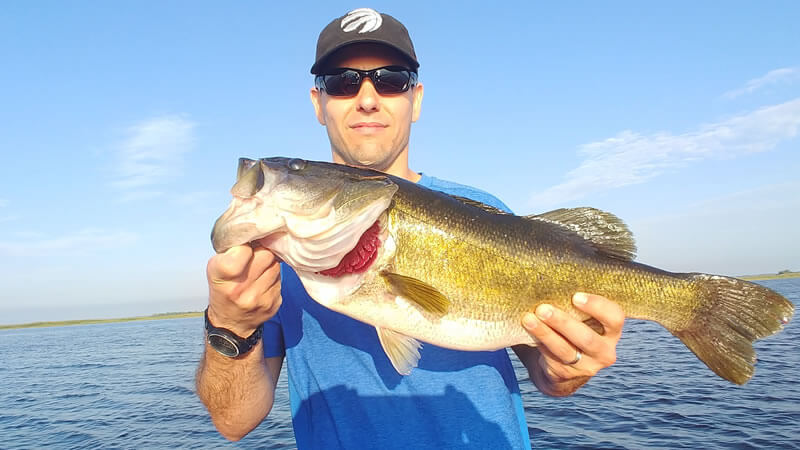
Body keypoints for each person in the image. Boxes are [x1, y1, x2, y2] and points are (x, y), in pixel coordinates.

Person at [196, 8, 624, 449]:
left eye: (391, 80)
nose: (367, 98)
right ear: (317, 103)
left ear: (415, 98)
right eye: (344, 82)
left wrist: (566, 368)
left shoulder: (489, 212)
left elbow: (546, 373)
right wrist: (230, 326)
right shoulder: (270, 263)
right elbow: (234, 422)